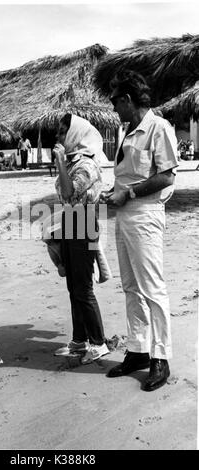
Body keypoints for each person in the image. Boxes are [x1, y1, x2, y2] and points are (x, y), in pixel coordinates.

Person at [100, 70, 178, 391]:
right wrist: (115, 192)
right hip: (125, 214)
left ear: (128, 100)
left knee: (152, 288)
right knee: (131, 286)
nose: (114, 108)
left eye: (116, 102)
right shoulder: (128, 129)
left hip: (145, 214)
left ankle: (160, 357)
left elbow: (168, 176)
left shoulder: (158, 128)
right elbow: (130, 175)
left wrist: (128, 193)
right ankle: (137, 350)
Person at [52, 113, 110, 364]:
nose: (59, 136)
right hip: (71, 222)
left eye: (64, 131)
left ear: (75, 134)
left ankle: (98, 342)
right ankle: (79, 340)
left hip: (83, 224)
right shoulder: (75, 161)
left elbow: (67, 194)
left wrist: (60, 162)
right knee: (73, 287)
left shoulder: (86, 165)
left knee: (83, 288)